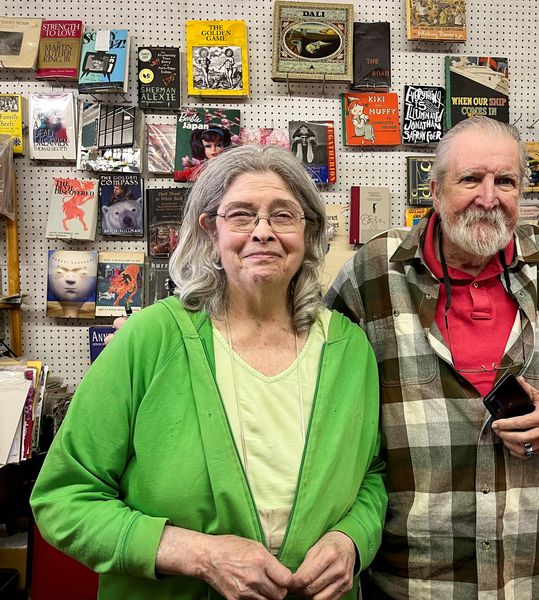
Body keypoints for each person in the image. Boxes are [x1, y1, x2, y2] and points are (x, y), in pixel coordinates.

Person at [31, 145, 387, 600]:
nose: (263, 232)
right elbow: (63, 498)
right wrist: (198, 554)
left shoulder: (348, 347)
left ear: (308, 231)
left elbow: (372, 475)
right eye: (241, 215)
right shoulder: (151, 339)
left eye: (283, 215)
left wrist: (352, 539)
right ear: (210, 230)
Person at [325, 116, 539, 599]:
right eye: (470, 179)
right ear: (435, 190)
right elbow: (321, 391)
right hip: (418, 578)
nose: (488, 196)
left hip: (536, 572)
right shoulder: (374, 272)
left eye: (504, 181)